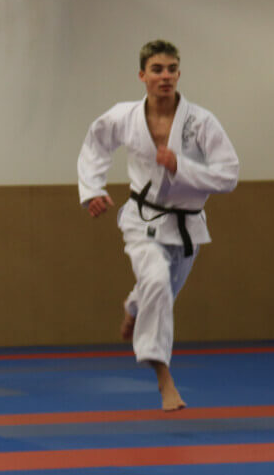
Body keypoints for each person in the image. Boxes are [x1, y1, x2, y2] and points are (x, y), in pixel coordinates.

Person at [77, 40, 240, 411]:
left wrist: (181, 167)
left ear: (179, 74)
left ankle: (134, 307)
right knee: (155, 282)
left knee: (161, 292)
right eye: (157, 69)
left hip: (187, 227)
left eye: (171, 69)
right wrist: (92, 190)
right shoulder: (123, 116)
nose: (164, 76)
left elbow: (229, 175)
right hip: (142, 219)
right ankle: (165, 381)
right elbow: (95, 146)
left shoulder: (201, 122)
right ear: (142, 76)